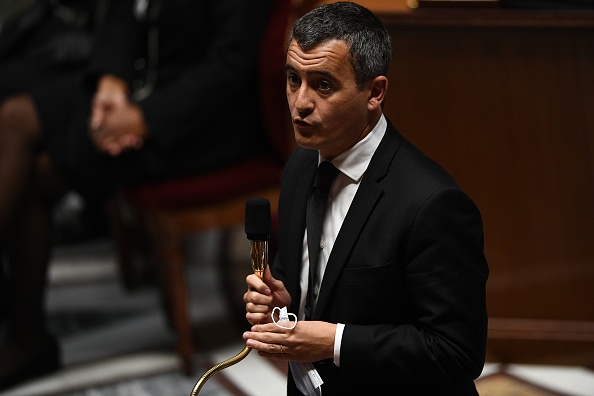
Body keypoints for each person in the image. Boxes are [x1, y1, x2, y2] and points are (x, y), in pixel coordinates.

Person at [0, 0, 273, 390]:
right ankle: (27, 339)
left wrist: (145, 119)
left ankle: (28, 341)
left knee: (35, 173)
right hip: (142, 88)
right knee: (12, 115)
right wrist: (111, 83)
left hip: (205, 121)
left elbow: (231, 64)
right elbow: (120, 14)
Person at [243, 2, 489, 395]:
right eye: (293, 79)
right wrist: (282, 299)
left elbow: (457, 351)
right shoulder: (300, 166)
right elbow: (302, 279)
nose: (300, 102)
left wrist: (334, 343)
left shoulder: (432, 204)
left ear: (374, 92)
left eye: (323, 84)